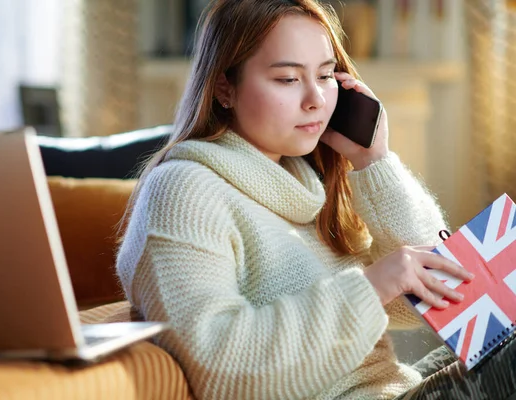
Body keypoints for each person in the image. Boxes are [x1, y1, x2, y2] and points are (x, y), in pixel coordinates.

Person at [116, 0, 516, 399]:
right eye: (288, 79)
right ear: (224, 86)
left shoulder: (304, 182)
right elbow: (217, 365)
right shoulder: (183, 192)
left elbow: (433, 299)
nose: (316, 100)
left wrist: (374, 161)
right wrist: (372, 286)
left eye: (325, 75)